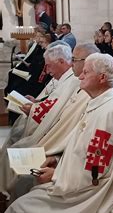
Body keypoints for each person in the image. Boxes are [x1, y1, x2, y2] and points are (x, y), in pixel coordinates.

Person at [0, 53, 113, 213]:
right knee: (25, 195)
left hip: (87, 195)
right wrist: (56, 161)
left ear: (102, 78)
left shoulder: (110, 112)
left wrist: (55, 175)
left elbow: (95, 170)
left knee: (20, 210)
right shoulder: (102, 103)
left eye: (86, 73)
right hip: (75, 179)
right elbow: (84, 151)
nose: (80, 76)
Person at [0, 44, 99, 201]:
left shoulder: (92, 94)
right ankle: (5, 192)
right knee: (16, 143)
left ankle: (5, 193)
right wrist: (37, 104)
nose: (72, 64)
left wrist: (57, 160)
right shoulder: (81, 85)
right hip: (59, 143)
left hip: (64, 154)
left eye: (75, 60)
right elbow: (58, 106)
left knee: (17, 150)